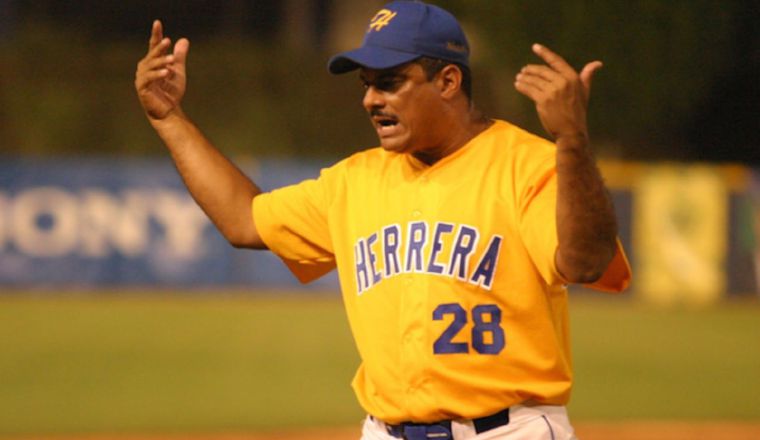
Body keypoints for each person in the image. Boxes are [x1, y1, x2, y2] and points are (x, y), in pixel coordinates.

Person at [135, 1, 631, 439]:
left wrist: (572, 142)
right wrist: (169, 120)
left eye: (390, 82)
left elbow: (585, 261)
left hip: (508, 430)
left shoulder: (529, 165)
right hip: (386, 431)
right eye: (367, 84)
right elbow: (244, 220)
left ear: (448, 81)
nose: (371, 99)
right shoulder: (355, 180)